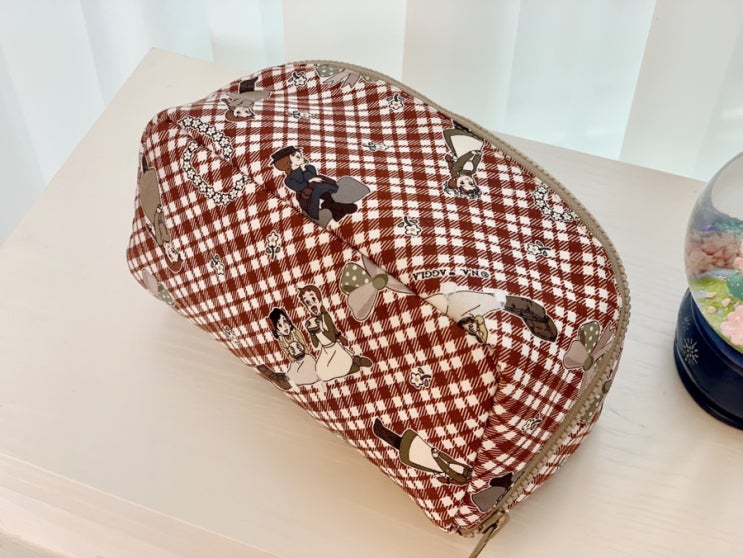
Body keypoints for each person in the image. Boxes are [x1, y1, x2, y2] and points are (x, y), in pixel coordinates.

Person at [297, 285, 372, 381]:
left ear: (320, 301)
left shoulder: (325, 316)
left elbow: (331, 337)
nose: (311, 304)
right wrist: (312, 332)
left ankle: (355, 363)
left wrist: (319, 329)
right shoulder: (311, 322)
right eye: (307, 302)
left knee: (342, 362)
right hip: (325, 350)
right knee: (321, 374)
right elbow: (315, 345)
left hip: (334, 347)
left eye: (313, 299)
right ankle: (351, 366)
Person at [270, 146, 358, 223]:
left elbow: (312, 175)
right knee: (319, 187)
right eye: (297, 157)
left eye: (300, 156)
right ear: (288, 162)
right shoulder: (288, 179)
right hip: (306, 195)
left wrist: (304, 170)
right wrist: (309, 181)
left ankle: (333, 209)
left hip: (320, 189)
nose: (302, 158)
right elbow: (299, 187)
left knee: (321, 188)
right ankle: (316, 213)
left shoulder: (309, 167)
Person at [267, 307, 319, 386]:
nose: (284, 326)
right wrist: (293, 358)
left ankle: (312, 379)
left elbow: (304, 344)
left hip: (305, 357)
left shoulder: (295, 332)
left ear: (288, 321)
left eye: (285, 322)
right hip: (295, 361)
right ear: (276, 330)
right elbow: (286, 353)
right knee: (294, 373)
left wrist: (304, 351)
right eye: (280, 325)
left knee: (310, 367)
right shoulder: (281, 340)